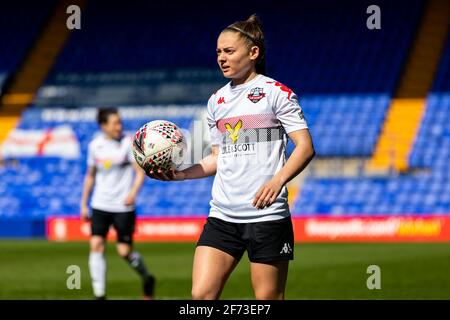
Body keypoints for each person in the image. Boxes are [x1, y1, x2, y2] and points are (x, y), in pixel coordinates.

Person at [148, 14, 315, 300]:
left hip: (266, 216)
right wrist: (182, 174)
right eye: (218, 52)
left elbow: (305, 147)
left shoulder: (277, 94)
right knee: (201, 296)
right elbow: (217, 158)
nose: (221, 58)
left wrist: (277, 182)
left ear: (253, 53)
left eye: (229, 51)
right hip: (222, 215)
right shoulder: (216, 101)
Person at [80, 107, 155, 300]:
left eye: (120, 122)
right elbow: (90, 176)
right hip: (100, 204)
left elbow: (140, 173)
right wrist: (83, 203)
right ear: (103, 125)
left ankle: (147, 278)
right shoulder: (95, 146)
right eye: (115, 123)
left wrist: (132, 194)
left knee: (124, 251)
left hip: (123, 206)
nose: (119, 126)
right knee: (96, 244)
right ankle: (100, 295)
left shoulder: (129, 143)